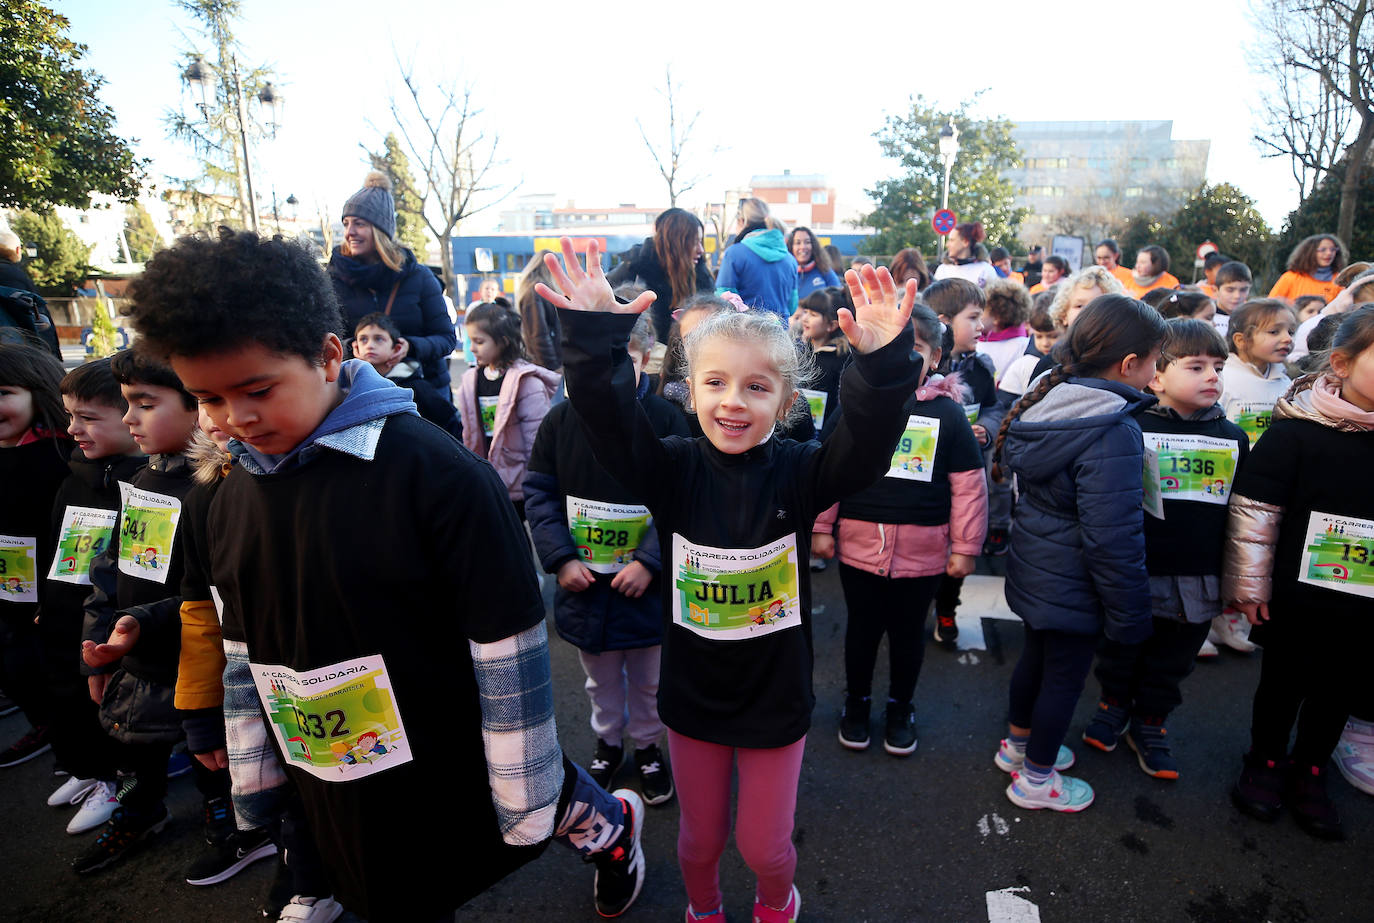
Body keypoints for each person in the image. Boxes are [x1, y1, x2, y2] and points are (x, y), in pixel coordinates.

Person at [119, 228, 648, 920]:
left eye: (256, 389)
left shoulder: (439, 476)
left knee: (423, 883)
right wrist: (254, 761)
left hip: (434, 750)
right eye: (208, 399)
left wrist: (525, 792)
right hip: (325, 758)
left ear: (329, 354)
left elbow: (507, 641)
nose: (235, 419)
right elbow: (242, 638)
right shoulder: (226, 493)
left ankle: (604, 826)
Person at [540, 237, 922, 923]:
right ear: (688, 391)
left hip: (774, 699)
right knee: (699, 839)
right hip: (693, 698)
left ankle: (778, 905)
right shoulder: (673, 468)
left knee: (764, 846)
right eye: (715, 382)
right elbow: (606, 421)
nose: (734, 402)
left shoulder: (801, 471)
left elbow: (861, 448)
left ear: (785, 399)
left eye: (756, 385)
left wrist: (884, 362)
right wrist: (597, 337)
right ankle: (705, 910)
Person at [990, 295, 1168, 812]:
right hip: (1077, 579)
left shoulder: (1054, 396)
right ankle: (1036, 780)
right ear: (1129, 363)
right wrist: (1131, 612)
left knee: (1036, 661)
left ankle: (1017, 746)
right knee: (1064, 680)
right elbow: (1112, 536)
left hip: (1037, 566)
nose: (1158, 372)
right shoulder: (1112, 426)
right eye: (1157, 360)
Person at [77, 350, 235, 875]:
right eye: (126, 405)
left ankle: (230, 823)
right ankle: (137, 810)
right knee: (135, 752)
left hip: (192, 663)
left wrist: (146, 622)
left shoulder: (214, 489)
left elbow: (209, 593)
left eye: (145, 404)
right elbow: (110, 570)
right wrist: (98, 647)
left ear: (199, 408)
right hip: (134, 657)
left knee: (209, 756)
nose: (129, 419)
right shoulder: (142, 482)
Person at [525, 313, 688, 806]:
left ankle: (647, 746)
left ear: (645, 357)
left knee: (650, 678)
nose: (606, 376)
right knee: (599, 680)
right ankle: (608, 741)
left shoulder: (665, 420)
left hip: (646, 590)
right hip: (586, 588)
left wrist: (649, 562)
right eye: (593, 365)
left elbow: (681, 497)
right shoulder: (559, 422)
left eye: (621, 361)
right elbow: (540, 492)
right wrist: (559, 559)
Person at [1226, 305, 1374, 841]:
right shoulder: (1296, 432)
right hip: (1296, 596)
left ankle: (1311, 768)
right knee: (1283, 682)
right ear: (1341, 362)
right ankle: (1265, 760)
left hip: (1364, 605)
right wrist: (1248, 587)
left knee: (1340, 685)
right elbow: (1255, 514)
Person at [813, 303, 986, 755]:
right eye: (891, 348)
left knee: (909, 635)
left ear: (934, 359)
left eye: (915, 350)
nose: (903, 358)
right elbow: (827, 469)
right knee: (862, 631)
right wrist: (821, 527)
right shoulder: (856, 410)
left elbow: (969, 488)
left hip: (924, 551)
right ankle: (857, 702)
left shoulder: (949, 417)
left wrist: (966, 547)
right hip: (857, 545)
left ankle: (900, 706)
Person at [1082, 319, 1248, 778]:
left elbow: (1242, 516)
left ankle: (1151, 724)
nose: (1212, 376)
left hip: (1199, 575)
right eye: (1196, 367)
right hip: (1137, 569)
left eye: (1218, 366)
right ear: (1156, 375)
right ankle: (1112, 707)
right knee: (1120, 649)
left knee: (1173, 660)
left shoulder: (1233, 437)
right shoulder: (1127, 425)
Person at [39, 359, 144, 836]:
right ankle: (94, 771)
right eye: (68, 415)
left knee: (119, 710)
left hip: (120, 623)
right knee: (73, 696)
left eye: (88, 417)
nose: (73, 428)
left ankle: (119, 784)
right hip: (71, 613)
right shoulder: (74, 477)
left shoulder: (144, 485)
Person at [0, 343, 74, 768]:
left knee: (42, 665)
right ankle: (47, 725)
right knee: (15, 666)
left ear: (38, 391)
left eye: (3, 392)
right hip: (11, 585)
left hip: (52, 590)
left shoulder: (59, 456)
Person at [327, 171, 457, 399]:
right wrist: (355, 348)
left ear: (380, 231)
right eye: (346, 223)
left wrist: (409, 347)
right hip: (360, 394)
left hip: (423, 394)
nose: (349, 232)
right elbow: (324, 342)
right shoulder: (333, 280)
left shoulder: (420, 277)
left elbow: (446, 339)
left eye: (359, 224)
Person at [456, 301, 560, 521]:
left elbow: (537, 437)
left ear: (502, 342)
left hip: (519, 478)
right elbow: (469, 432)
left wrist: (539, 477)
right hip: (487, 474)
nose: (472, 348)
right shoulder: (470, 380)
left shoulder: (527, 383)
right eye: (470, 341)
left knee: (516, 530)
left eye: (479, 341)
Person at [606, 207, 716, 343]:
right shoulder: (635, 269)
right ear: (675, 244)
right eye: (694, 242)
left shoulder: (701, 276)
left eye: (701, 242)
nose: (701, 250)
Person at [352, 312, 462, 439]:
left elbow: (451, 423)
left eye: (379, 339)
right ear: (355, 346)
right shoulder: (351, 387)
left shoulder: (417, 388)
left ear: (397, 348)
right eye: (363, 339)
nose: (369, 345)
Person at [1220, 299, 1297, 447]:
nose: (1287, 338)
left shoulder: (1286, 382)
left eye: (1291, 332)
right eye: (1274, 332)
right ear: (1241, 340)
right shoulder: (1223, 378)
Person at [715, 197, 799, 319]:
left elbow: (725, 301)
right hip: (780, 334)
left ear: (742, 221)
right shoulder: (790, 260)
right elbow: (791, 307)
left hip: (745, 333)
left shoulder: (734, 253)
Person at [795, 288, 851, 437]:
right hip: (797, 427)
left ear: (832, 325)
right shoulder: (799, 349)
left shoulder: (841, 357)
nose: (805, 318)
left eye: (813, 315)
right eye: (806, 311)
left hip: (824, 432)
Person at [977, 279, 1033, 382]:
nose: (978, 316)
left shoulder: (1021, 346)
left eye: (981, 312)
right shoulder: (1024, 342)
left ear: (997, 317)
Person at [518, 250, 565, 371]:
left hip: (546, 362)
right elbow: (539, 334)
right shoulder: (536, 292)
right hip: (546, 366)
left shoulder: (537, 290)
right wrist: (553, 365)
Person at [1269, 233, 1347, 305]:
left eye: (1333, 249)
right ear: (1309, 253)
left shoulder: (1339, 281)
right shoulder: (1290, 277)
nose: (1329, 253)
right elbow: (1271, 305)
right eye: (1323, 250)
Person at [935, 221, 998, 288]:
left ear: (965, 242)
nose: (947, 245)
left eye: (952, 240)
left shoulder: (986, 270)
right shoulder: (942, 270)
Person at [789, 226, 841, 300]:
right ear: (791, 247)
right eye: (797, 243)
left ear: (813, 245)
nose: (803, 247)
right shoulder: (785, 272)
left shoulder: (824, 269)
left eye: (807, 242)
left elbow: (838, 297)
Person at [1212, 261, 1253, 336]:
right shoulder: (1205, 318)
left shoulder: (1254, 318)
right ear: (1215, 290)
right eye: (1230, 290)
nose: (1237, 296)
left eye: (1243, 290)